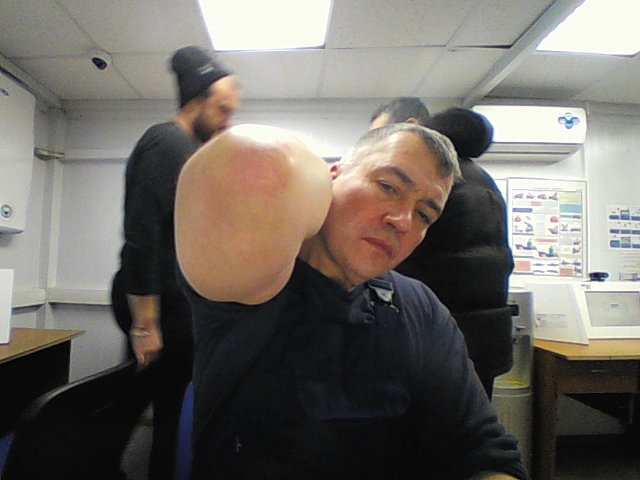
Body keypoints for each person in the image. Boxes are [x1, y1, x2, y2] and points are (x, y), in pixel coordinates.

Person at [175, 122, 529, 480]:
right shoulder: (253, 284)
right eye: (388, 187)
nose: (403, 221)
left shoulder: (418, 307)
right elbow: (251, 157)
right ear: (332, 177)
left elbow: (479, 448)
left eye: (424, 214)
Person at [110, 45, 240, 480]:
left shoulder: (189, 153)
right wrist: (145, 325)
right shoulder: (166, 143)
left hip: (176, 311)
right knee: (153, 414)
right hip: (159, 311)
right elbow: (142, 237)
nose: (226, 121)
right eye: (222, 110)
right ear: (196, 101)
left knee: (166, 415)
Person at [372, 106, 514, 398]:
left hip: (446, 333)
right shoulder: (485, 182)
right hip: (489, 336)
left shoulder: (438, 181)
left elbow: (406, 256)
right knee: (470, 416)